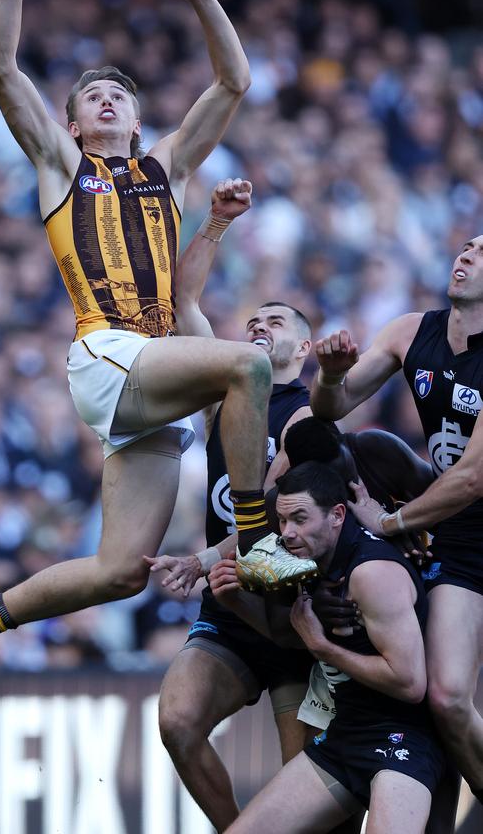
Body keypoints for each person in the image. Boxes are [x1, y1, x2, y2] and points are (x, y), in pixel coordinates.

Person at [0, 0, 315, 717]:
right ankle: (258, 541)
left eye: (118, 97)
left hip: (150, 380)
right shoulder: (62, 165)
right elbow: (0, 67)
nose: (106, 101)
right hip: (110, 353)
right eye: (92, 95)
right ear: (69, 122)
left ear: (137, 120)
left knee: (120, 571)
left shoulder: (165, 166)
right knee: (247, 361)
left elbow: (233, 81)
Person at [147, 181, 316, 830]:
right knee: (177, 722)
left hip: (296, 612)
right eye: (253, 321)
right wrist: (215, 222)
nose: (257, 327)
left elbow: (276, 513)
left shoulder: (309, 419)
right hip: (233, 607)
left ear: (302, 350)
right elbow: (184, 301)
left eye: (275, 323)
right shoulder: (224, 398)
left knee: (309, 791)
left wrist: (202, 555)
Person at [310, 234, 483, 804]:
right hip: (460, 533)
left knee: (449, 699)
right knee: (446, 701)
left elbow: (472, 478)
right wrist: (332, 375)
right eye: (466, 246)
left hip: (459, 517)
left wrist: (390, 524)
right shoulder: (411, 331)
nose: (466, 255)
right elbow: (331, 410)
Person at [210, 462, 445, 834]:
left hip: (403, 740)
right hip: (345, 736)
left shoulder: (372, 573)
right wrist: (236, 600)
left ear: (337, 515)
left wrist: (322, 646)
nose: (288, 533)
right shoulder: (310, 556)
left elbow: (411, 683)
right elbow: (289, 630)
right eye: (283, 521)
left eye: (300, 519)